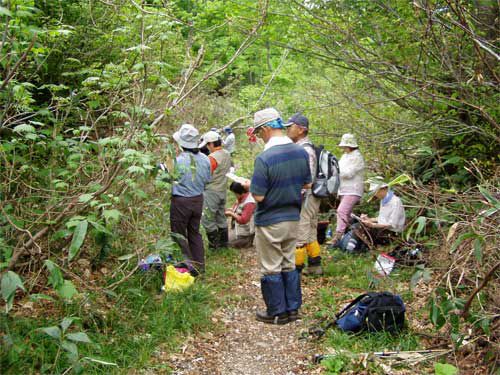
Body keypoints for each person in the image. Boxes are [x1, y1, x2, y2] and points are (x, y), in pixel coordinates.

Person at [246, 107, 312, 325]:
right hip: (293, 216)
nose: (258, 136)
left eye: (258, 132)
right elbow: (307, 183)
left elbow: (258, 196)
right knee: (288, 262)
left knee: (271, 266)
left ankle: (276, 312)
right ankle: (293, 309)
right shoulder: (300, 152)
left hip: (270, 219)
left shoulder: (265, 158)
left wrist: (250, 184)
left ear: (266, 128)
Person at [169, 124, 211, 276]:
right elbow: (207, 180)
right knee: (194, 233)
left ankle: (187, 269)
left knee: (179, 234)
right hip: (198, 200)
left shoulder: (177, 161)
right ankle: (200, 267)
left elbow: (168, 179)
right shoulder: (205, 159)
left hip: (181, 201)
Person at [285, 113, 323, 275]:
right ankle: (315, 266)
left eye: (290, 126)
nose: (288, 130)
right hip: (313, 196)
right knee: (310, 231)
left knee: (300, 231)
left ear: (301, 130)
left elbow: (307, 177)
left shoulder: (304, 150)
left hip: (306, 196)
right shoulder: (306, 148)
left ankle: (296, 270)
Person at [199, 130, 232, 250]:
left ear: (211, 144)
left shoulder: (212, 158)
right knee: (221, 217)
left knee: (207, 219)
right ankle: (224, 244)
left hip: (211, 191)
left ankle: (214, 246)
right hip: (222, 189)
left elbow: (205, 175)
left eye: (207, 145)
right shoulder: (227, 154)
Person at [331, 133, 365, 244]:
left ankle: (338, 236)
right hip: (344, 189)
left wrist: (336, 171)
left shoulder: (357, 157)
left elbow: (349, 173)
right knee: (347, 214)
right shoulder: (345, 156)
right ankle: (353, 232)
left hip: (353, 189)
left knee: (341, 211)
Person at [357, 181, 406, 246]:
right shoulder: (383, 200)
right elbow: (382, 218)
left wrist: (373, 225)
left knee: (362, 229)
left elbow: (391, 224)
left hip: (392, 233)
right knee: (358, 225)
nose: (375, 194)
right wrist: (369, 219)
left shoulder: (395, 201)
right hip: (382, 229)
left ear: (384, 189)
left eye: (376, 191)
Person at [224, 182, 256, 248]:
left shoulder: (249, 203)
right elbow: (234, 209)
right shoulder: (240, 199)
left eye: (235, 193)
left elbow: (243, 220)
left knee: (228, 245)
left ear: (240, 191)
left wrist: (231, 213)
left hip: (246, 234)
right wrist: (227, 210)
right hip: (238, 230)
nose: (234, 195)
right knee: (224, 241)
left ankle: (248, 243)